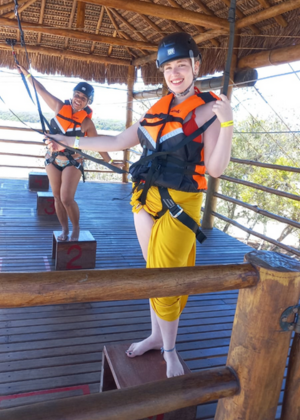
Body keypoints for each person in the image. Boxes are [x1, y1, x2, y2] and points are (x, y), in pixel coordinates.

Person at [46, 32, 233, 377]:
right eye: (168, 68)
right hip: (144, 200)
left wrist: (228, 123)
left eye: (181, 65)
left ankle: (170, 350)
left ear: (195, 66)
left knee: (166, 279)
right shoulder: (156, 111)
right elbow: (117, 140)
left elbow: (217, 168)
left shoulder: (210, 109)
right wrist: (64, 139)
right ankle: (153, 335)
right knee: (153, 274)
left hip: (181, 204)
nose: (174, 73)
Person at [17, 65, 121, 241]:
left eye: (83, 98)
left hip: (73, 162)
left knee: (66, 198)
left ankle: (76, 227)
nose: (78, 99)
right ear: (72, 95)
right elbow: (41, 90)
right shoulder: (59, 107)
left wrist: (109, 162)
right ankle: (64, 229)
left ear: (88, 102)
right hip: (52, 160)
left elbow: (98, 145)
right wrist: (26, 74)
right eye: (77, 95)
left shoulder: (87, 123)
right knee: (57, 197)